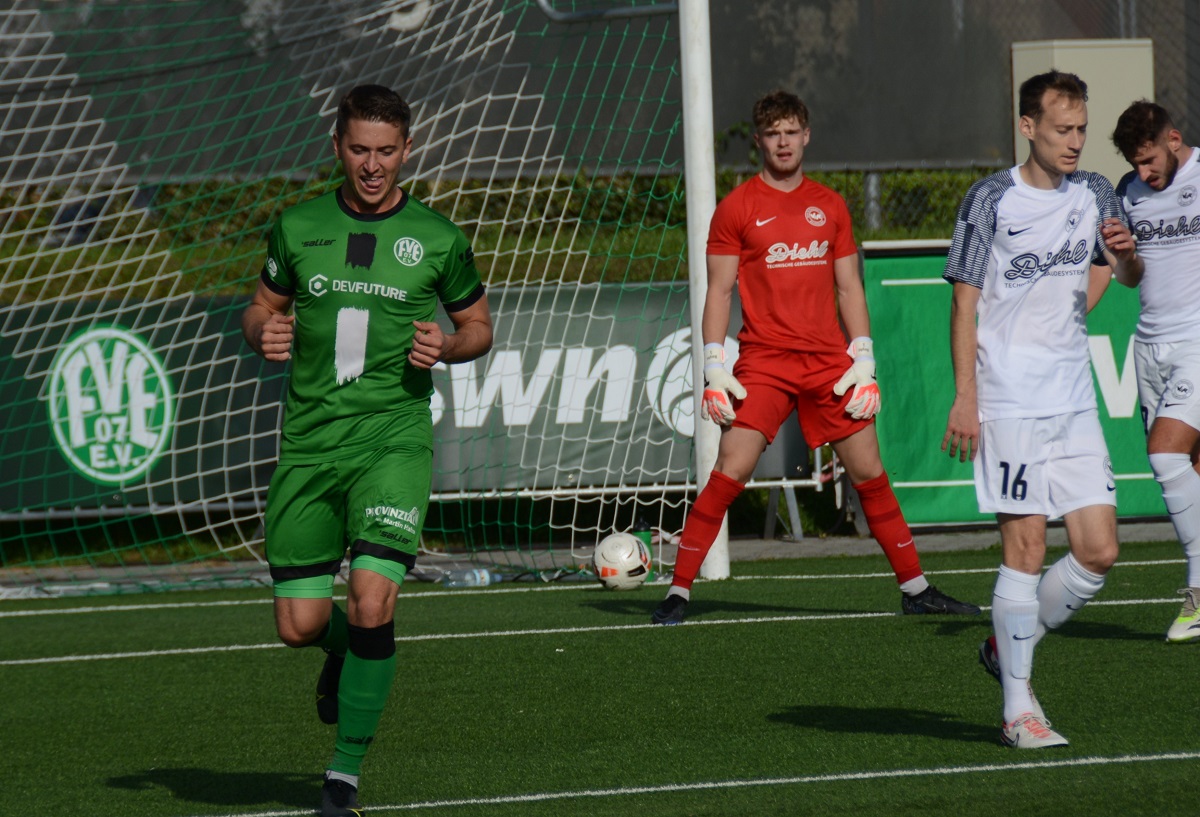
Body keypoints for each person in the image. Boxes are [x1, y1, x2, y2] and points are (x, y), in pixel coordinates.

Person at [242, 84, 493, 817]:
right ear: (338, 148)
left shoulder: (438, 238)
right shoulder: (298, 226)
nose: (373, 165)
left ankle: (342, 779)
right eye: (360, 150)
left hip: (394, 438)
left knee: (374, 597)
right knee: (301, 625)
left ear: (407, 150)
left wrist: (447, 345)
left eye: (386, 151)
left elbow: (479, 326)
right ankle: (340, 650)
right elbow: (260, 306)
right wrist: (264, 330)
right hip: (310, 446)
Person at [651, 90, 980, 627]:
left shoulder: (830, 205)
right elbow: (718, 292)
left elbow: (850, 288)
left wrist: (864, 357)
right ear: (759, 140)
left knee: (870, 472)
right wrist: (712, 366)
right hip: (764, 363)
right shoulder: (736, 208)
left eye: (791, 131)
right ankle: (679, 593)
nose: (783, 142)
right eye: (772, 133)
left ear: (807, 136)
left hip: (830, 363)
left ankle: (916, 588)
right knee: (729, 469)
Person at [942, 71, 1139, 749]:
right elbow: (964, 302)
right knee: (1025, 546)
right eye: (1062, 129)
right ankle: (1018, 708)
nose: (1075, 142)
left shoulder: (1096, 192)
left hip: (1073, 398)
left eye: (1082, 129)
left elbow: (1118, 268)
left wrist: (1124, 262)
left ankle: (1006, 645)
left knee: (1099, 549)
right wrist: (966, 397)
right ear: (1028, 127)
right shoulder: (992, 198)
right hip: (1008, 399)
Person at [1111, 100, 1200, 643]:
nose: (1144, 173)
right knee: (1188, 465)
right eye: (1136, 163)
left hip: (1198, 341)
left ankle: (1198, 592)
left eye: (1149, 160)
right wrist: (1123, 256)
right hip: (1149, 346)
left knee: (1165, 454)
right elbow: (1129, 276)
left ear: (1173, 137)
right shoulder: (1128, 192)